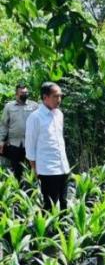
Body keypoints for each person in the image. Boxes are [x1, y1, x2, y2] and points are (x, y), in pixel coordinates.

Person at [25, 82, 70, 210]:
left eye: (60, 96)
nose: (59, 100)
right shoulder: (35, 118)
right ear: (45, 97)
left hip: (63, 167)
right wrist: (35, 169)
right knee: (49, 206)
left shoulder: (59, 115)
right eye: (56, 96)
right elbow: (30, 146)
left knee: (64, 203)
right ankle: (49, 230)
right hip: (48, 170)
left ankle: (63, 229)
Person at [0, 84, 38, 181]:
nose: (25, 94)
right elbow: (4, 125)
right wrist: (1, 141)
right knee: (17, 171)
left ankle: (32, 192)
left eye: (26, 93)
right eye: (22, 93)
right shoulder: (9, 107)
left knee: (32, 171)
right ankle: (18, 192)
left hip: (31, 144)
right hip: (14, 144)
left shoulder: (34, 106)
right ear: (16, 94)